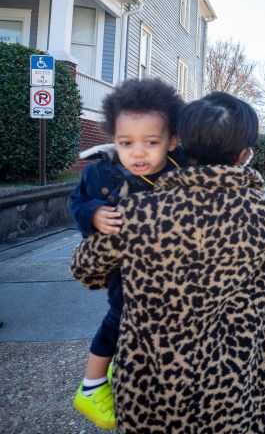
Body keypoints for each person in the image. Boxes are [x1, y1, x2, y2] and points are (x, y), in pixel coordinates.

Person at [71, 92, 265, 433]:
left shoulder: (138, 211)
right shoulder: (264, 211)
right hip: (233, 387)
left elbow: (85, 270)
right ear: (244, 153)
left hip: (150, 389)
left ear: (180, 143)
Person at [69, 78, 185, 430]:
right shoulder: (102, 171)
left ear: (172, 141)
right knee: (119, 318)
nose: (138, 152)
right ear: (114, 140)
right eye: (126, 143)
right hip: (126, 273)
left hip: (169, 272)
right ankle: (91, 385)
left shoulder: (180, 170)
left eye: (151, 143)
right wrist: (92, 213)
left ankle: (135, 370)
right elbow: (76, 202)